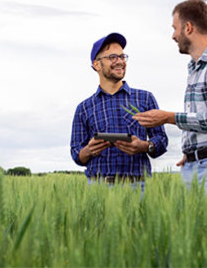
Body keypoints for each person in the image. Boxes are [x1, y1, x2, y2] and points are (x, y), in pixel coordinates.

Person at [133, 0, 207, 192]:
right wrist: (194, 151)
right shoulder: (195, 68)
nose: (173, 35)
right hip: (199, 164)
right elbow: (202, 117)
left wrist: (168, 117)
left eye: (175, 28)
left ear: (188, 28)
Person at [70, 33, 168, 186]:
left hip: (139, 186)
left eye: (122, 57)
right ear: (97, 64)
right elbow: (77, 154)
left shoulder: (145, 98)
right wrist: (89, 150)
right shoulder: (84, 108)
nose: (120, 62)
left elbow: (161, 140)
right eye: (113, 57)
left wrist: (144, 146)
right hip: (98, 188)